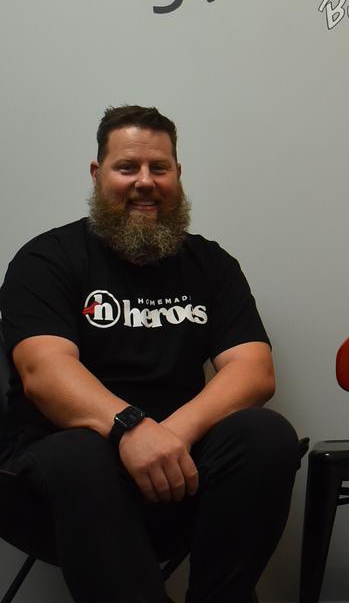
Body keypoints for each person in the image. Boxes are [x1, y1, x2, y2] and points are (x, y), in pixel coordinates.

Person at [0, 105, 301, 603]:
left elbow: (254, 371)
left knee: (265, 434)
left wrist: (169, 437)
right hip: (58, 472)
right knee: (79, 453)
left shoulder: (211, 264)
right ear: (98, 174)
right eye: (127, 168)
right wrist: (128, 428)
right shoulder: (46, 259)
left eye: (159, 168)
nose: (145, 181)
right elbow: (43, 372)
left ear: (177, 175)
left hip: (177, 467)